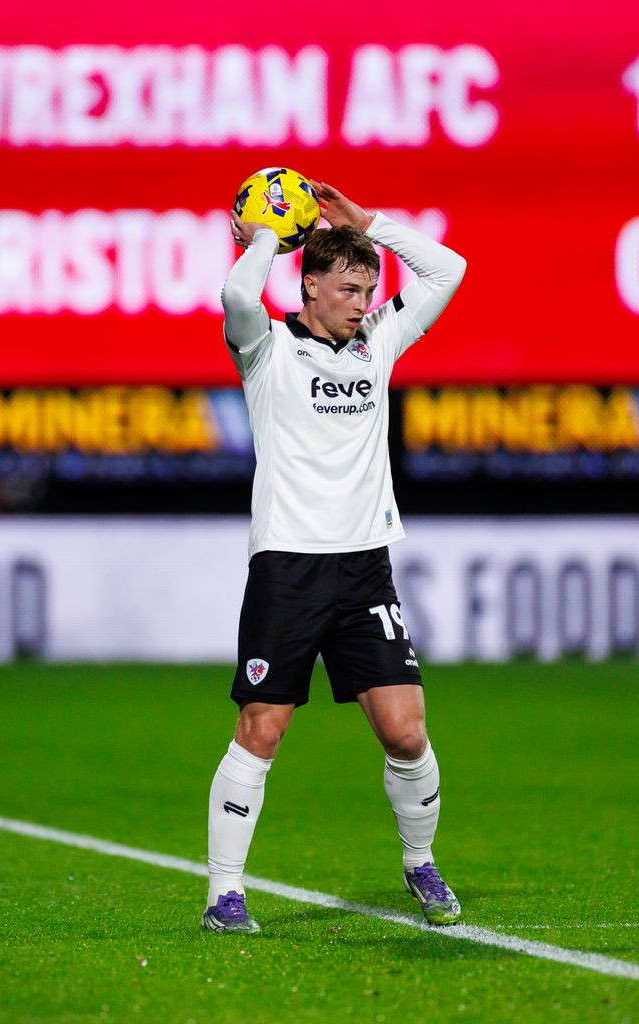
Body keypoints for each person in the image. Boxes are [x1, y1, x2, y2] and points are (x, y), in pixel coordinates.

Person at [201, 180, 467, 933]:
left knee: (406, 732)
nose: (362, 303)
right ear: (309, 285)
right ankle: (224, 893)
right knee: (263, 728)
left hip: (363, 568)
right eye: (348, 289)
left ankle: (420, 863)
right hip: (288, 565)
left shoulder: (379, 339)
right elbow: (237, 294)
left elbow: (449, 269)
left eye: (369, 289)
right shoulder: (265, 349)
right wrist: (267, 236)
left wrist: (370, 224)